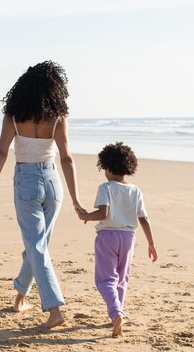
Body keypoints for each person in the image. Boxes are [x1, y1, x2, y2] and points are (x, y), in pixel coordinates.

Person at [0, 61, 86, 329]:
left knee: (36, 244)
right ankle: (20, 296)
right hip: (53, 183)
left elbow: (1, 152)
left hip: (26, 182)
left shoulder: (14, 117)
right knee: (37, 244)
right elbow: (67, 159)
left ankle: (54, 309)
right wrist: (75, 198)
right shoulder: (58, 118)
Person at [77, 142, 158, 337]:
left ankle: (116, 313)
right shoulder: (135, 190)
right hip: (129, 237)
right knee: (122, 279)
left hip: (107, 237)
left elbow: (103, 213)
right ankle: (117, 313)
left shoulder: (105, 188)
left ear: (108, 167)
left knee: (105, 280)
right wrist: (151, 243)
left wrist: (86, 216)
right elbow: (144, 219)